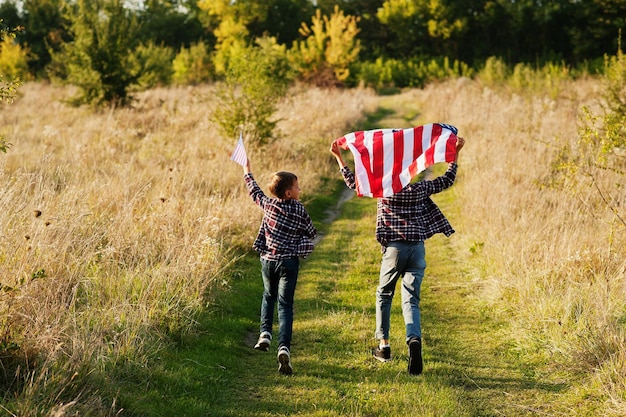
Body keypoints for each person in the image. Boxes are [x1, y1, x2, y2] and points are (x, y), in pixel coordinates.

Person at [329, 135, 465, 375]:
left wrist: (339, 158)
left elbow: (353, 182)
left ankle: (384, 346)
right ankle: (413, 339)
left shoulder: (382, 187)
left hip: (393, 250)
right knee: (410, 299)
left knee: (384, 294)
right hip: (417, 249)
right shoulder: (419, 188)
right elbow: (447, 180)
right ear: (410, 171)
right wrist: (456, 154)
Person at [243, 157, 317, 375]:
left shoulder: (268, 204)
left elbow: (254, 191)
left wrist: (247, 169)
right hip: (289, 263)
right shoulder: (300, 210)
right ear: (288, 193)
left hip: (268, 260)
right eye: (297, 187)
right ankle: (283, 347)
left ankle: (265, 334)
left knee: (268, 296)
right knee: (285, 306)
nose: (300, 189)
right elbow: (311, 232)